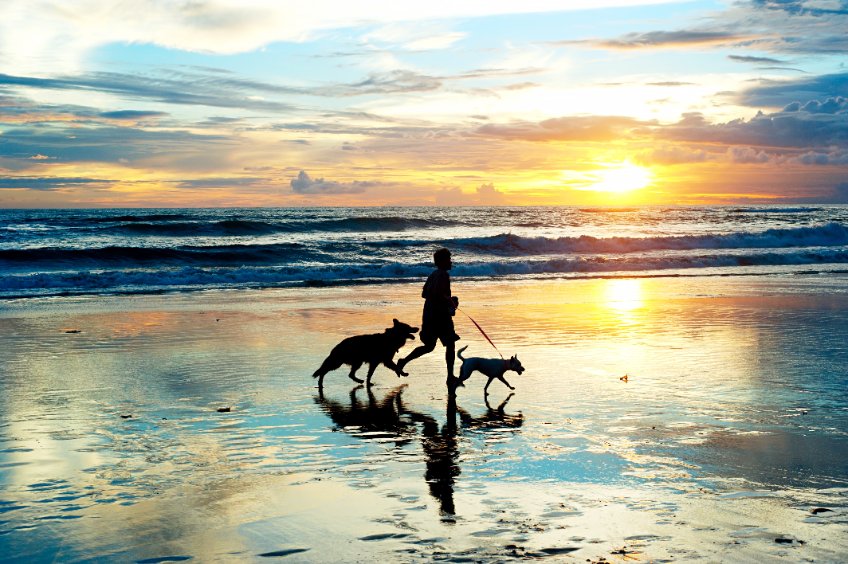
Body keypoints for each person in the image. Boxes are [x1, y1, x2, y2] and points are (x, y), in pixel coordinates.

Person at [397, 247, 460, 389]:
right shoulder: (443, 275)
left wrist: (447, 300)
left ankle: (403, 361)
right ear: (442, 261)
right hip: (440, 317)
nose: (451, 262)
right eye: (449, 259)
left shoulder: (433, 274)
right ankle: (450, 377)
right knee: (450, 344)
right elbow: (439, 296)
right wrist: (451, 302)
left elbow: (424, 294)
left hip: (429, 315)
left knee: (429, 347)